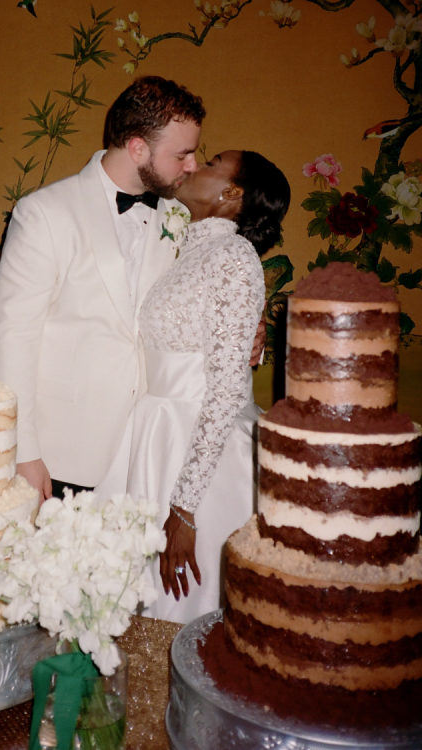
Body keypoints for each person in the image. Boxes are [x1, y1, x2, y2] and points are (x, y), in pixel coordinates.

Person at [0, 76, 206, 502]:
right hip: (62, 453)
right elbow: (12, 338)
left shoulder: (181, 219)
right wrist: (21, 451)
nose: (193, 166)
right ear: (138, 148)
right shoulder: (44, 213)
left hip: (148, 454)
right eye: (182, 154)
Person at [108, 149, 291, 624]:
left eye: (211, 162)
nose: (193, 166)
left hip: (201, 453)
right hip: (156, 435)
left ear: (232, 193)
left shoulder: (233, 255)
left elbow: (228, 390)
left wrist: (185, 510)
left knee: (186, 609)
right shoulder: (186, 248)